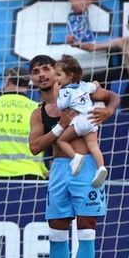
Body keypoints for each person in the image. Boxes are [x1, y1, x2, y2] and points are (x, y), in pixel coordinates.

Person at [23, 54, 110, 258]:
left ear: (58, 73)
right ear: (32, 78)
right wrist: (59, 128)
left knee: (86, 228)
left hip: (86, 168)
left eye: (46, 69)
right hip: (60, 170)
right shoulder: (39, 113)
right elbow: (34, 147)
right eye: (36, 71)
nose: (42, 74)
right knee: (57, 232)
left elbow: (112, 97)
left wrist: (109, 110)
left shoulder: (83, 93)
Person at [48, 53, 112, 186]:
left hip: (79, 121)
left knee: (61, 140)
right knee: (94, 146)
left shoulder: (66, 91)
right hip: (91, 119)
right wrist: (95, 84)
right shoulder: (84, 85)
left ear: (70, 75)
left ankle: (76, 157)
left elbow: (60, 106)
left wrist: (56, 93)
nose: (56, 78)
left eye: (59, 75)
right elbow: (96, 86)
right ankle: (101, 167)